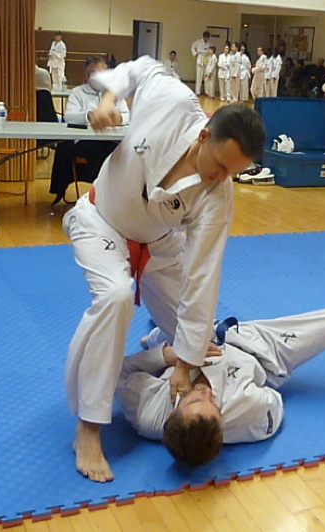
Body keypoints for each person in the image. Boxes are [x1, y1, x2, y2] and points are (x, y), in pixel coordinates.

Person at [63, 55, 266, 482]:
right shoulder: (172, 101)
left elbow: (202, 275)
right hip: (102, 222)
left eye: (232, 173)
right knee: (116, 296)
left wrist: (185, 365)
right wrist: (108, 100)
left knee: (201, 344)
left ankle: (178, 374)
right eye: (220, 165)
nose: (221, 178)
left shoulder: (218, 194)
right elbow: (136, 69)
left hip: (158, 247)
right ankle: (89, 427)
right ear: (204, 134)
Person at [116, 259, 325, 466]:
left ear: (172, 413)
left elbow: (120, 371)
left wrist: (166, 357)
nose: (207, 395)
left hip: (190, 340)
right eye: (214, 405)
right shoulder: (247, 419)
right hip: (262, 351)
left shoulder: (146, 412)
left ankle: (159, 338)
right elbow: (273, 397)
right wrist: (246, 379)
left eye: (196, 400)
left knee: (173, 308)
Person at [49, 56, 130, 205]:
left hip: (111, 139)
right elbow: (69, 117)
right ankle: (99, 193)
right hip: (87, 141)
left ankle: (119, 195)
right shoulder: (78, 92)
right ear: (87, 75)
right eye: (95, 73)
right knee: (96, 153)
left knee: (126, 152)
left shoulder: (113, 93)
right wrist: (88, 115)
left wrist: (119, 119)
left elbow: (127, 116)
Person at [191, 31, 212, 96]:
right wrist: (195, 54)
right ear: (203, 37)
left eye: (207, 38)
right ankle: (197, 92)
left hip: (207, 59)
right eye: (205, 38)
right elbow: (192, 47)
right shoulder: (198, 42)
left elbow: (212, 50)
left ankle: (207, 91)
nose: (206, 39)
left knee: (206, 77)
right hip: (200, 58)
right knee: (199, 77)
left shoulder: (210, 43)